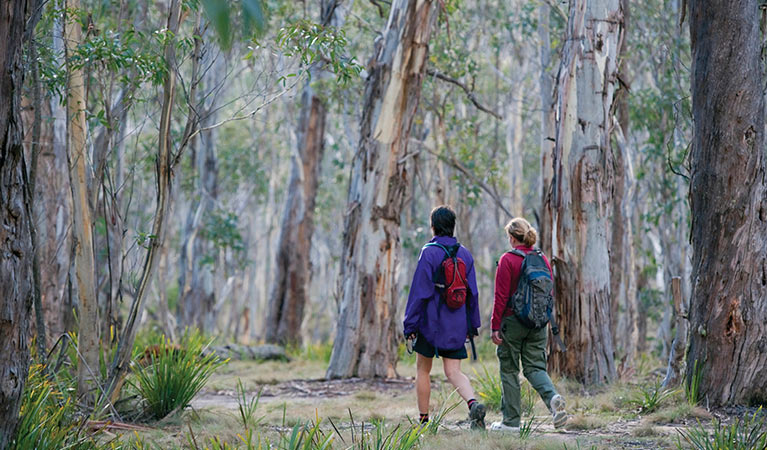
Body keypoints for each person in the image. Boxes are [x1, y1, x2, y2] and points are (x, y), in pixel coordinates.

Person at [403, 205, 487, 430]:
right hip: (456, 323)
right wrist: (472, 325)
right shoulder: (465, 254)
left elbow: (419, 292)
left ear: (433, 226)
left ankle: (423, 422)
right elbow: (473, 293)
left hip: (430, 323)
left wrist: (410, 324)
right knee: (454, 372)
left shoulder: (429, 252)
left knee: (423, 369)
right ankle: (473, 404)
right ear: (452, 226)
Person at [489, 217, 567, 432]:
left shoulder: (508, 260)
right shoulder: (541, 258)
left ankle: (511, 422)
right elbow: (549, 293)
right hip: (538, 323)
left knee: (509, 370)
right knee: (535, 367)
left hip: (512, 323)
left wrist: (495, 326)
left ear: (513, 238)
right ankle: (553, 398)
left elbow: (501, 296)